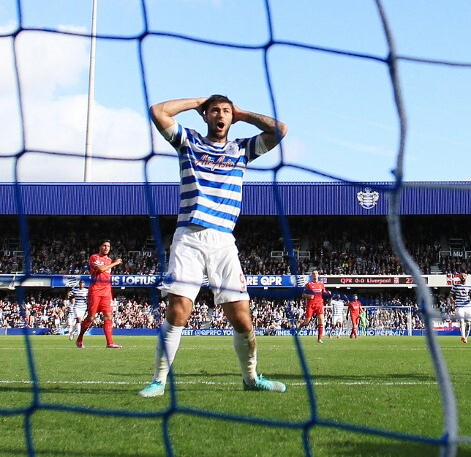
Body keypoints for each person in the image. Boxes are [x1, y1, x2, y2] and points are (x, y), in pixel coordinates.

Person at [138, 94, 288, 398]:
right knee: (178, 310)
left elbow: (280, 130)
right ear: (206, 116)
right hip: (189, 237)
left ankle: (250, 378)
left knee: (242, 317)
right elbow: (158, 112)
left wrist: (241, 113)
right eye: (215, 111)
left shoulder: (242, 149)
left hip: (223, 241)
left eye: (225, 112)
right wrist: (197, 102)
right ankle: (158, 381)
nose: (221, 115)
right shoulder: (188, 142)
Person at [77, 240, 123, 349]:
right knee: (91, 317)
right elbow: (100, 269)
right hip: (95, 291)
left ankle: (110, 343)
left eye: (108, 246)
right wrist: (115, 263)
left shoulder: (109, 259)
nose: (106, 248)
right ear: (100, 247)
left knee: (108, 316)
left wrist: (112, 263)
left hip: (106, 292)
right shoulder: (94, 258)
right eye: (104, 245)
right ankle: (80, 338)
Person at [297, 271, 327, 343]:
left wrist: (327, 293)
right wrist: (309, 296)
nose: (315, 275)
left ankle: (319, 338)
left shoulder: (321, 284)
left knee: (321, 320)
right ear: (312, 276)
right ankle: (300, 327)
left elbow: (324, 293)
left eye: (316, 273)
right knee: (307, 322)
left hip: (319, 305)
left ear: (318, 275)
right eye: (313, 274)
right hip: (310, 305)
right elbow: (303, 295)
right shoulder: (309, 285)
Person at [449, 274, 471, 343]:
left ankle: (466, 338)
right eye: (462, 276)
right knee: (461, 320)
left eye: (464, 276)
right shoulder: (455, 286)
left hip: (467, 306)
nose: (463, 277)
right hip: (459, 306)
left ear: (466, 277)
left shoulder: (470, 286)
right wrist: (452, 299)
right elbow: (451, 294)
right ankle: (463, 336)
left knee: (469, 323)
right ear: (460, 277)